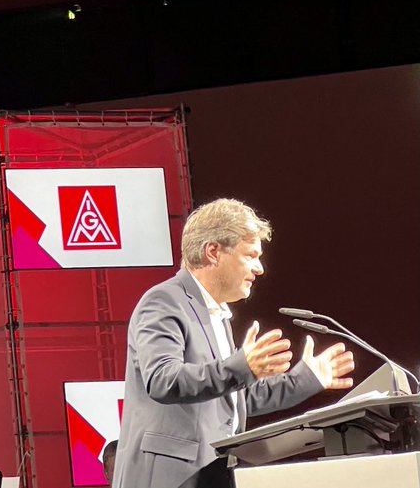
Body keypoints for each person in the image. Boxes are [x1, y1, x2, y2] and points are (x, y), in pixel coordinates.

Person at [113, 198, 354, 488]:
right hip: (169, 478)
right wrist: (243, 366)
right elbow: (163, 379)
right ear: (213, 252)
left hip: (212, 476)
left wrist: (307, 378)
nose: (260, 268)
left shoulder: (216, 315)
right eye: (251, 255)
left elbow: (233, 399)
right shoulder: (164, 302)